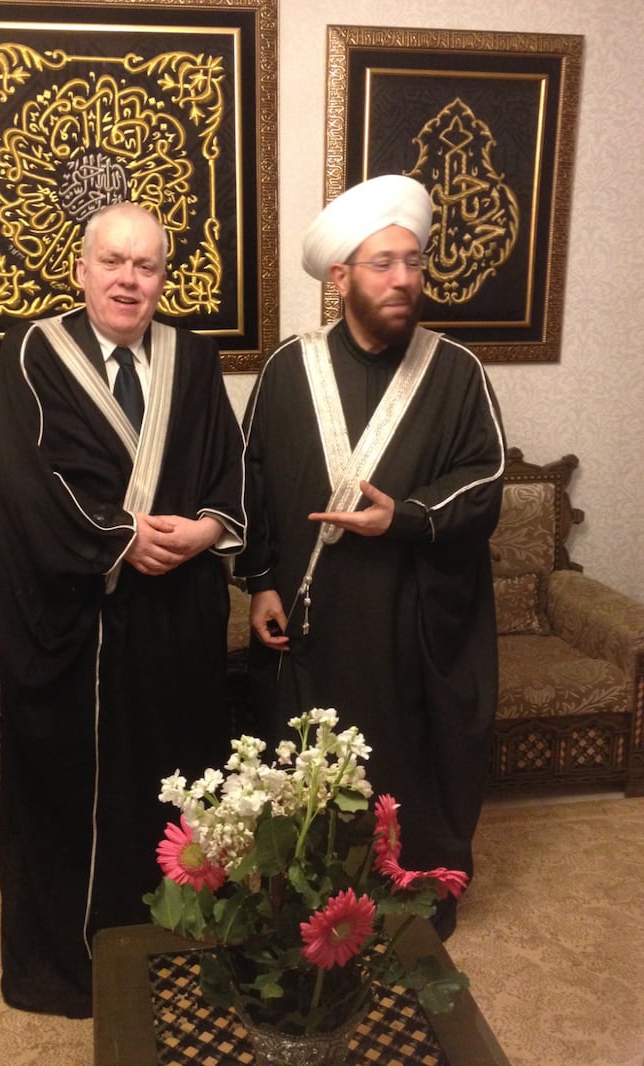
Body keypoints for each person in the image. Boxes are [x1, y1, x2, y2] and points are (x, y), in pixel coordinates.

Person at [0, 201, 246, 1018]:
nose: (130, 280)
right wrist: (121, 538)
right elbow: (22, 485)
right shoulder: (31, 354)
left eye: (148, 266)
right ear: (81, 268)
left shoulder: (193, 361)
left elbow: (230, 469)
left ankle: (179, 946)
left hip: (176, 622)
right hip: (80, 623)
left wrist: (205, 530)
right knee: (81, 789)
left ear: (165, 277)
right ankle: (79, 959)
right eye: (114, 262)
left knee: (175, 781)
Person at [235, 175, 505, 939]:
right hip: (313, 624)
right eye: (383, 264)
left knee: (408, 765)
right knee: (309, 765)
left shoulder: (455, 372)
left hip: (412, 624)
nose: (404, 280)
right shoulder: (289, 369)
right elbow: (248, 478)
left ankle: (412, 905)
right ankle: (314, 908)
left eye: (414, 262)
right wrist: (258, 584)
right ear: (340, 277)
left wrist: (406, 517)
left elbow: (485, 481)